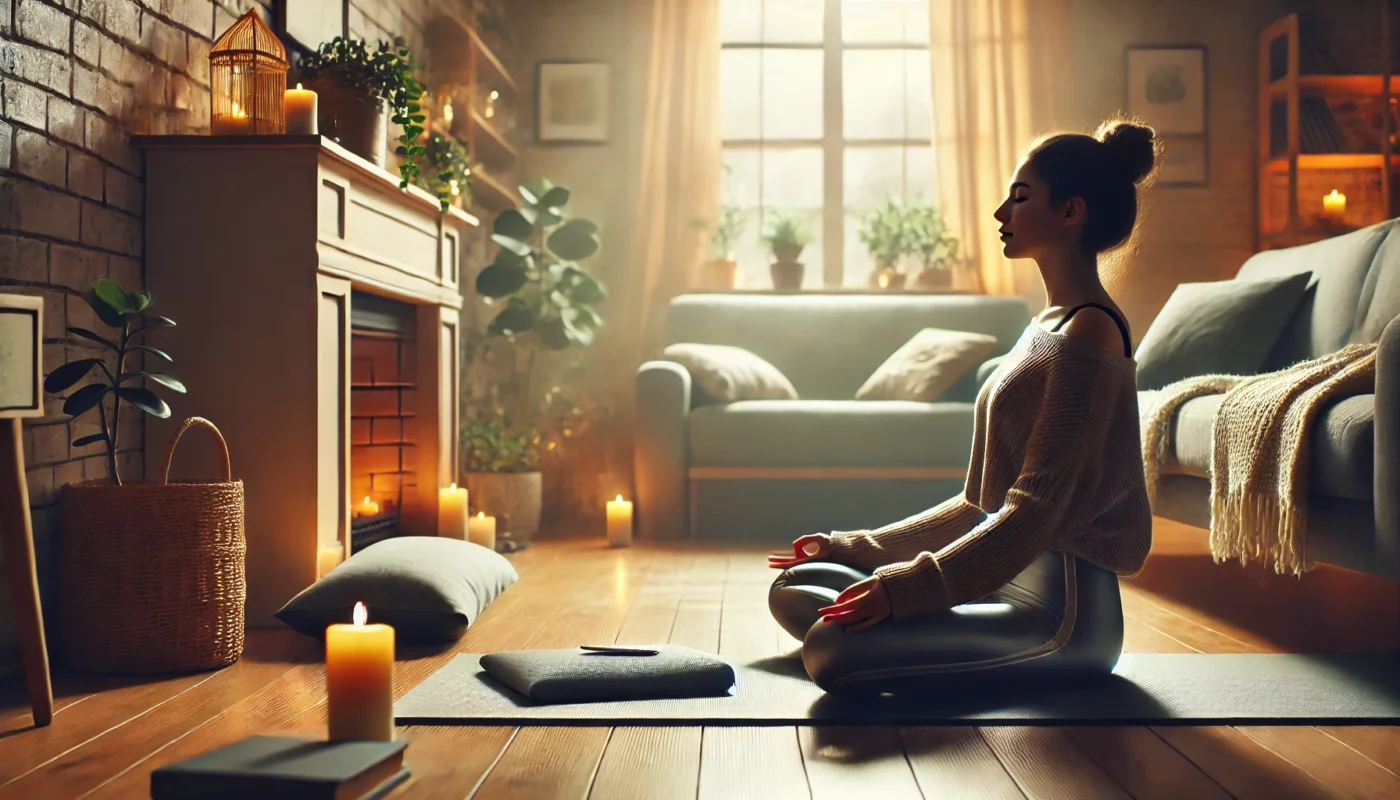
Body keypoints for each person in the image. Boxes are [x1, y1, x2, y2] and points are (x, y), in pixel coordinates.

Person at [768, 117, 1159, 694]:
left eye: (1020, 198)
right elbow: (982, 503)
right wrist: (856, 548)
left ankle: (911, 634)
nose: (1001, 213)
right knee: (799, 584)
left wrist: (907, 589)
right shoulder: (1045, 327)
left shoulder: (1093, 334)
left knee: (829, 648)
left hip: (1063, 617)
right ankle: (908, 620)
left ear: (1070, 212)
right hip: (995, 576)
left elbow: (1033, 512)